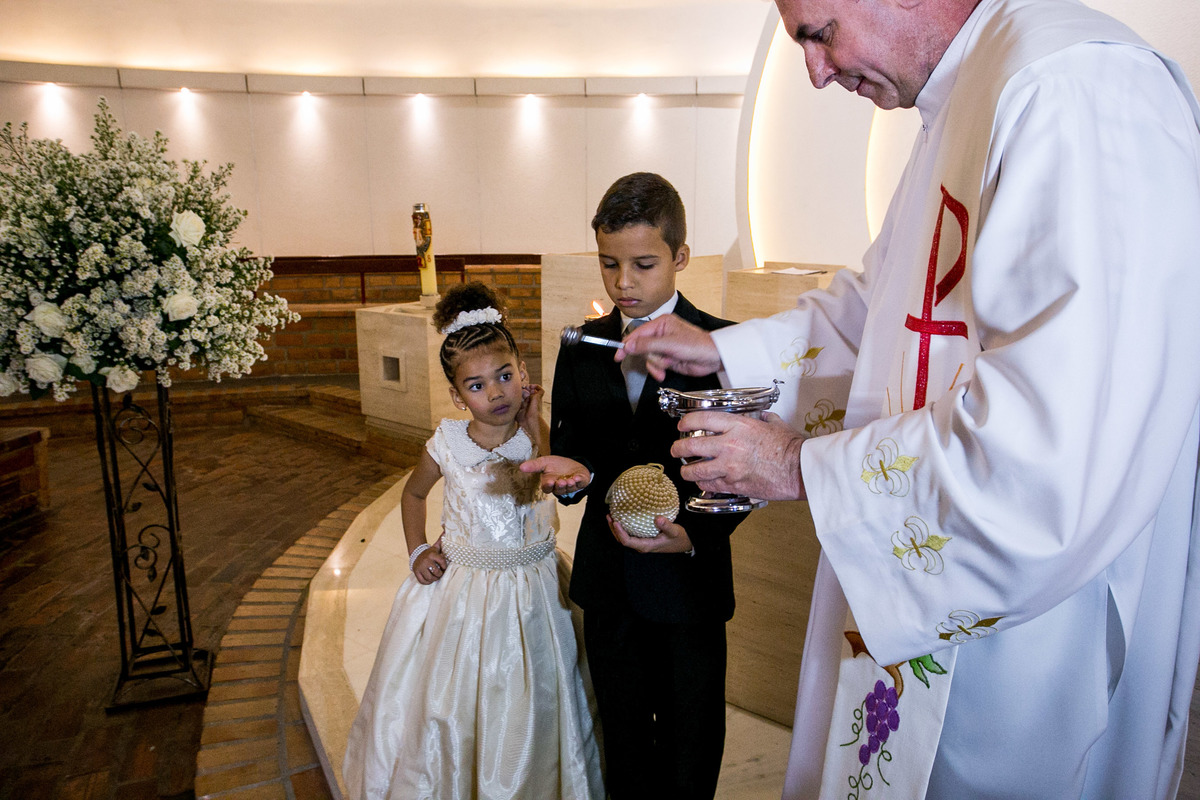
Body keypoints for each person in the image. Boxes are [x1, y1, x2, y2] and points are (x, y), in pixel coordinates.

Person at [619, 0, 1200, 797]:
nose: (816, 74)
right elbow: (886, 314)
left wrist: (800, 468)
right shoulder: (966, 99)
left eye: (819, 34)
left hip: (1020, 648)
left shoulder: (1073, 91)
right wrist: (724, 349)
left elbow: (1056, 449)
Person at [522, 172, 748, 799]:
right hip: (609, 580)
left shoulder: (722, 345)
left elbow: (742, 466)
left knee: (690, 742)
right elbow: (579, 451)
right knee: (622, 741)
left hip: (687, 584)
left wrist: (694, 535)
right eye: (608, 264)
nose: (623, 283)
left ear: (680, 257)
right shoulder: (580, 346)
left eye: (643, 264)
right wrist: (572, 478)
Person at [342, 282, 604, 800]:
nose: (497, 392)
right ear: (457, 394)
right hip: (465, 594)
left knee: (539, 699)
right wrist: (418, 550)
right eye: (478, 385)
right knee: (458, 699)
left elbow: (547, 488)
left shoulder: (534, 435)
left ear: (523, 373)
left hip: (535, 591)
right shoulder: (446, 443)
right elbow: (413, 496)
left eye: (505, 376)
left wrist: (538, 428)